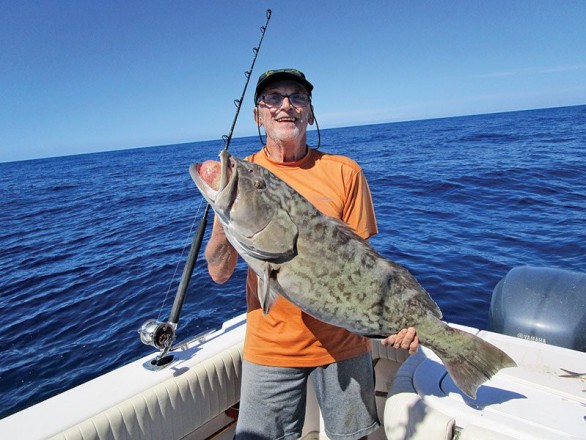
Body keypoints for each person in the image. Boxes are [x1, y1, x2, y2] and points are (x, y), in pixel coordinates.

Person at [205, 68, 419, 440]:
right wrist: (227, 211)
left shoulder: (345, 172)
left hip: (346, 343)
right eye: (273, 98)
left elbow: (366, 264)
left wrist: (403, 317)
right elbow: (220, 273)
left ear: (311, 113)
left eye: (297, 98)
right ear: (258, 115)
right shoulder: (243, 178)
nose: (286, 106)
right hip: (271, 346)